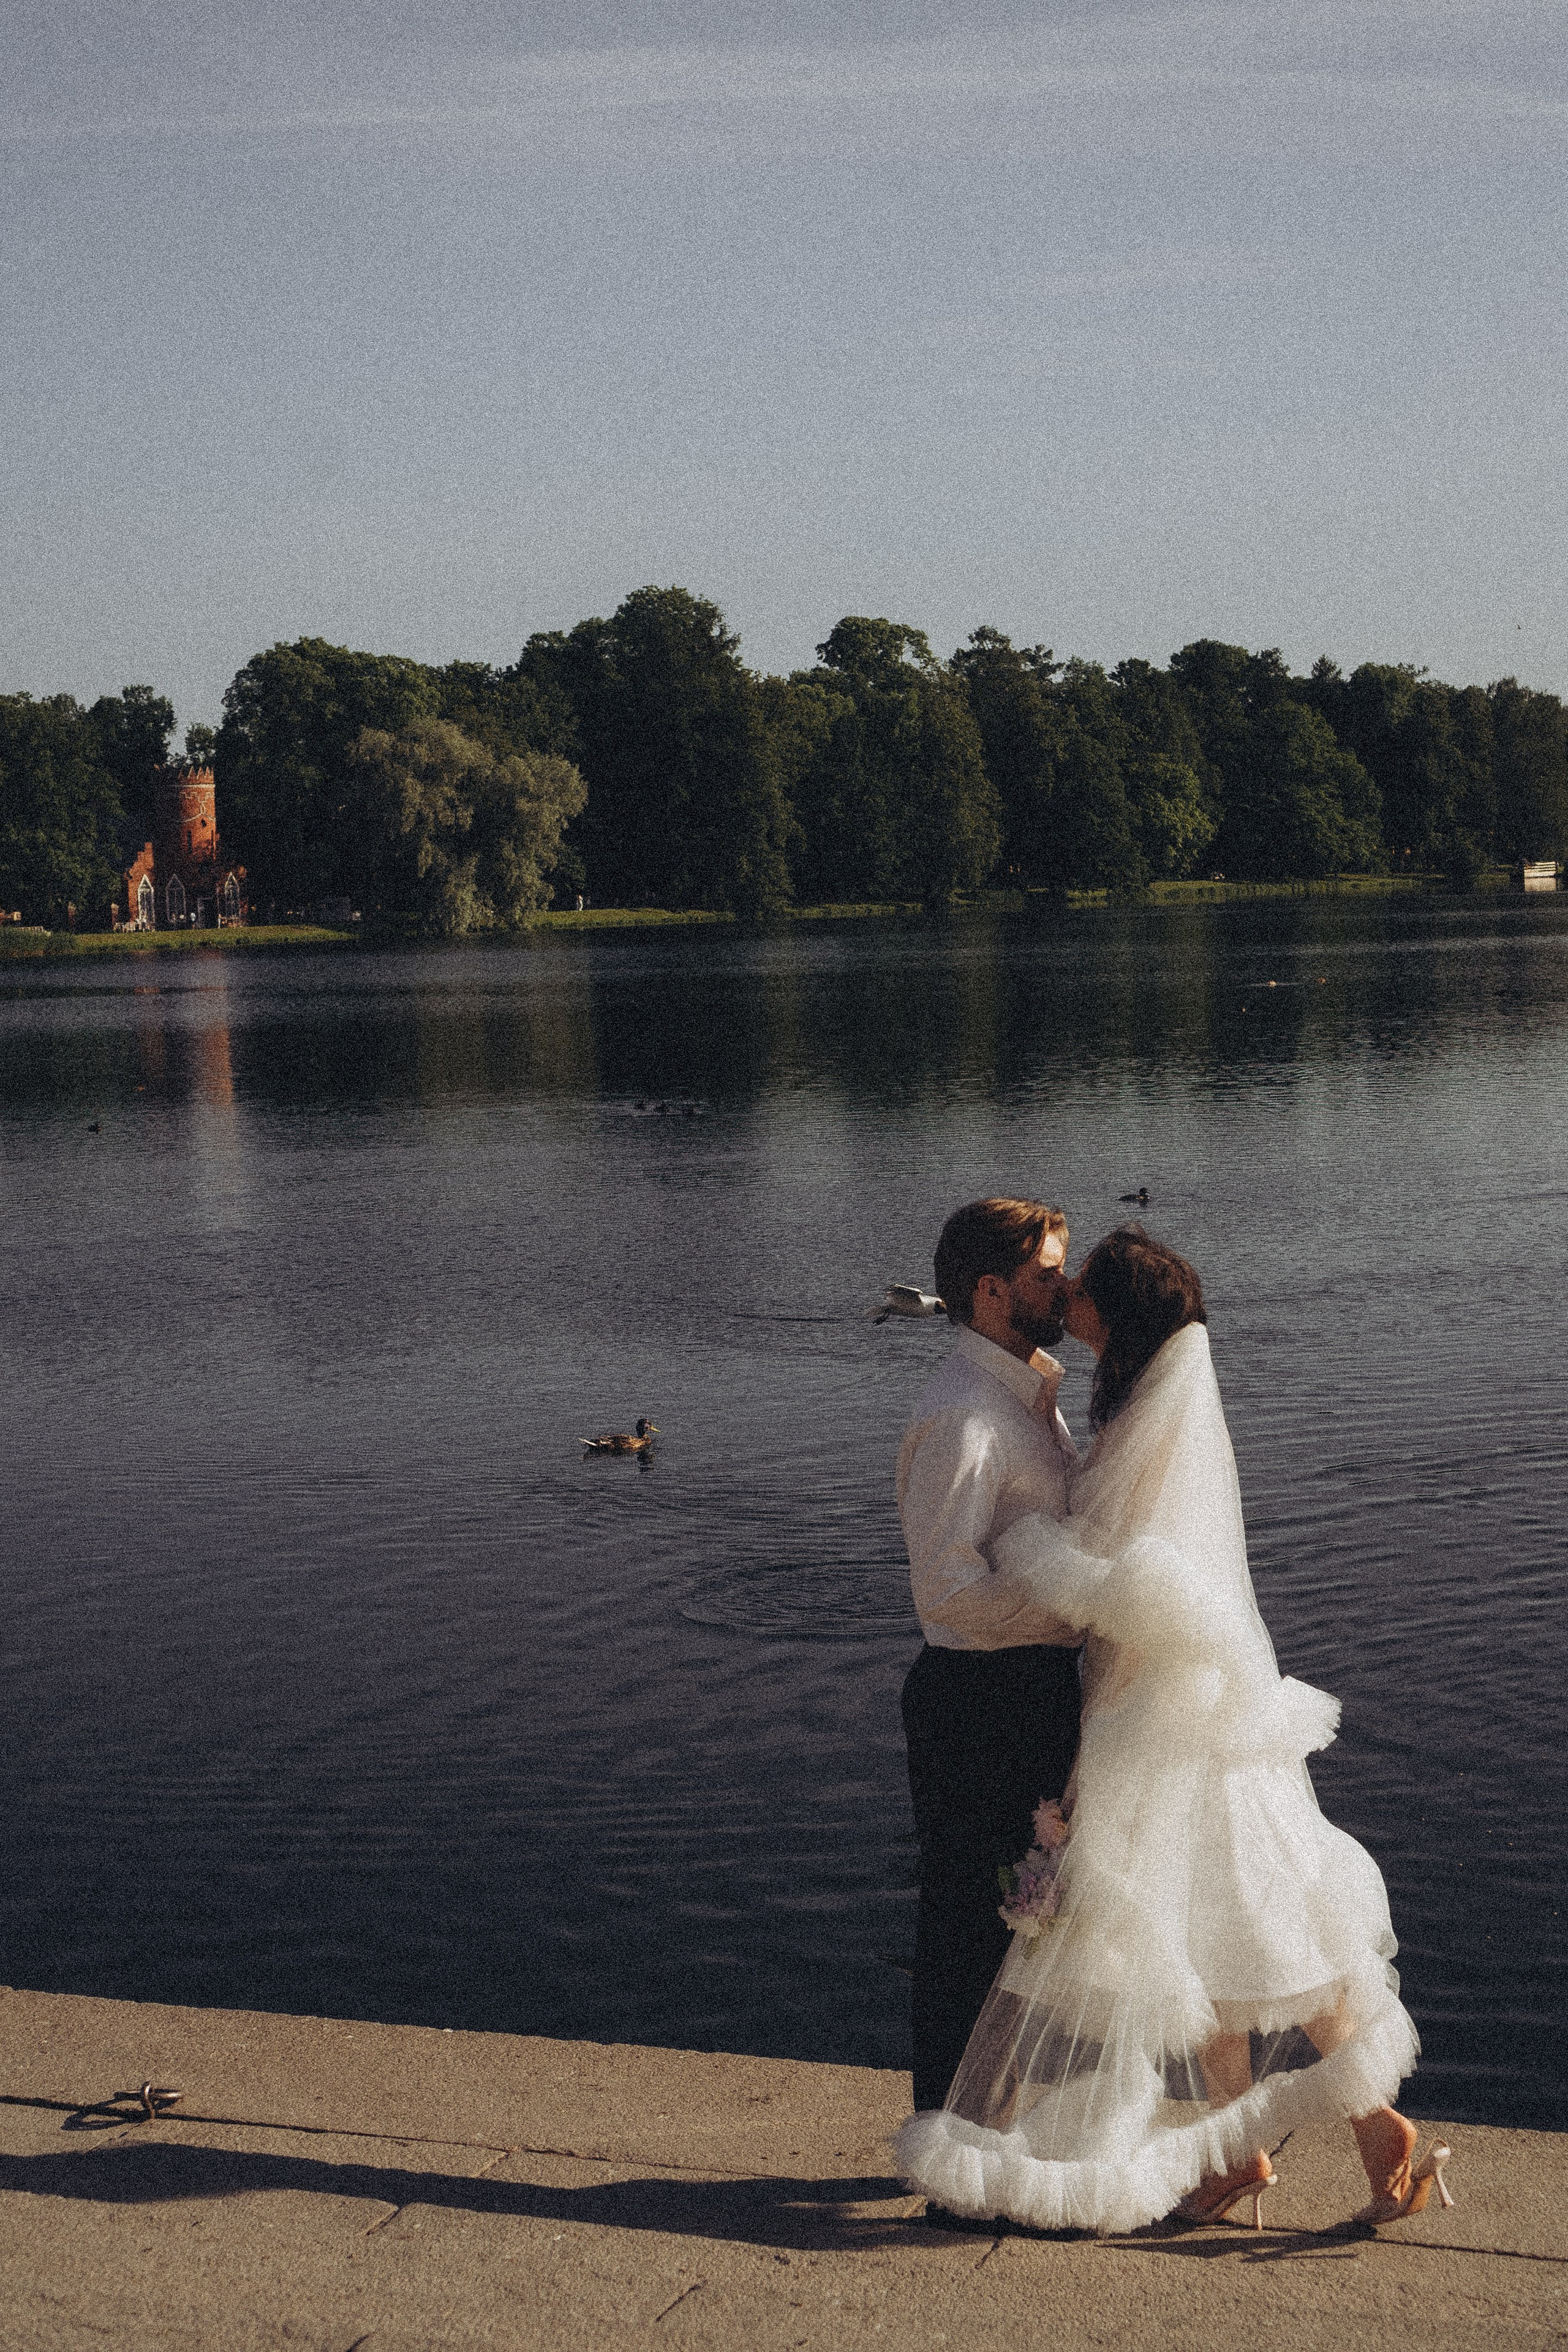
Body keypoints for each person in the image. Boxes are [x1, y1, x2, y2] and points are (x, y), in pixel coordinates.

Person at [897, 1226, 1451, 2234]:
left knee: (1225, 1923)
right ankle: (1262, 2152)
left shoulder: (1146, 1417)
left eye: (1081, 1289)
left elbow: (1143, 1583)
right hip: (1150, 1701)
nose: (1065, 1299)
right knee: (1211, 1932)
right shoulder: (1128, 1403)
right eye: (1051, 1277)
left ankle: (1352, 2132)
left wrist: (1031, 1551)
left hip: (1158, 1713)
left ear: (1119, 1316)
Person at [896, 1197, 1085, 2117]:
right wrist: (1081, 1593)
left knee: (1025, 1922)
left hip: (1029, 1688)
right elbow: (947, 1593)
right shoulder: (965, 1418)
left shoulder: (1027, 1399)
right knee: (972, 1931)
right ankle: (955, 2157)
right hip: (979, 1698)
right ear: (990, 1289)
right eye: (1048, 1273)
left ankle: (982, 2133)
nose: (1066, 1286)